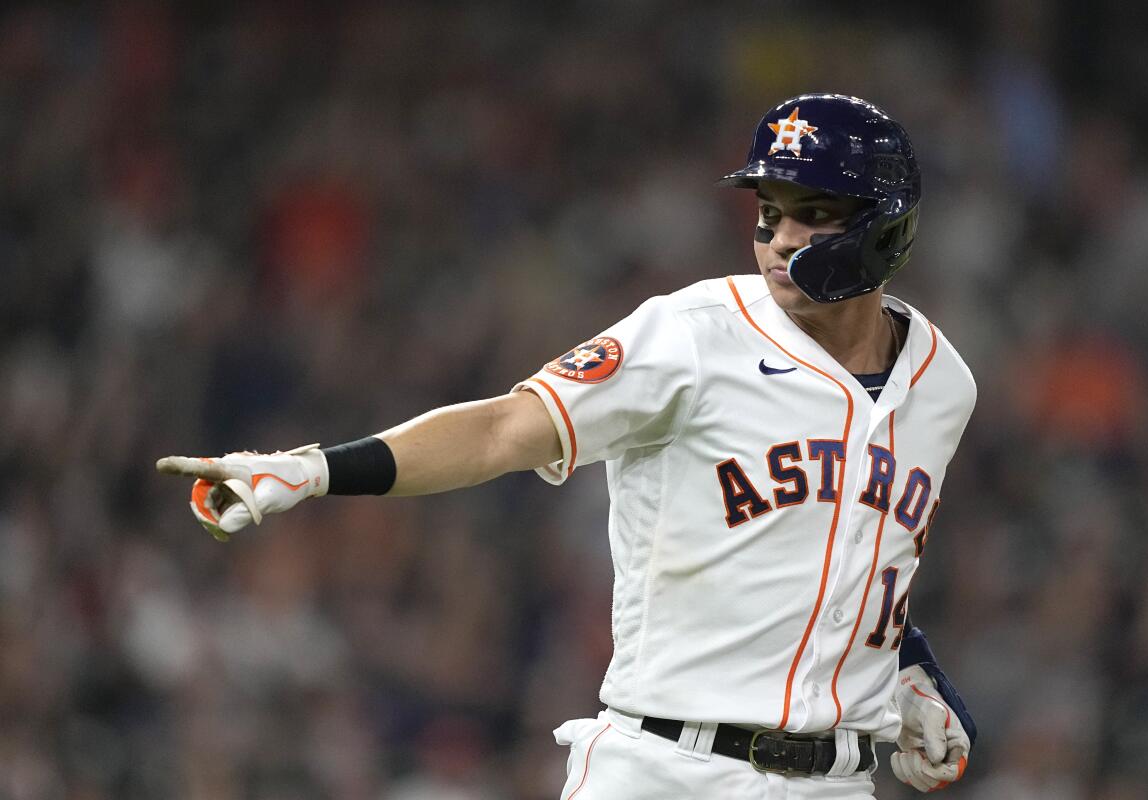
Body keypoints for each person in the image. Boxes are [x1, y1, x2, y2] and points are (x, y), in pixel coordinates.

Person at [159, 94, 977, 799]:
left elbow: (859, 558)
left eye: (812, 213)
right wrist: (315, 470)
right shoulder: (693, 334)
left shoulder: (944, 384)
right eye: (768, 211)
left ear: (883, 224)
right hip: (666, 769)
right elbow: (501, 430)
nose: (778, 237)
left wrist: (905, 674)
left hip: (835, 782)